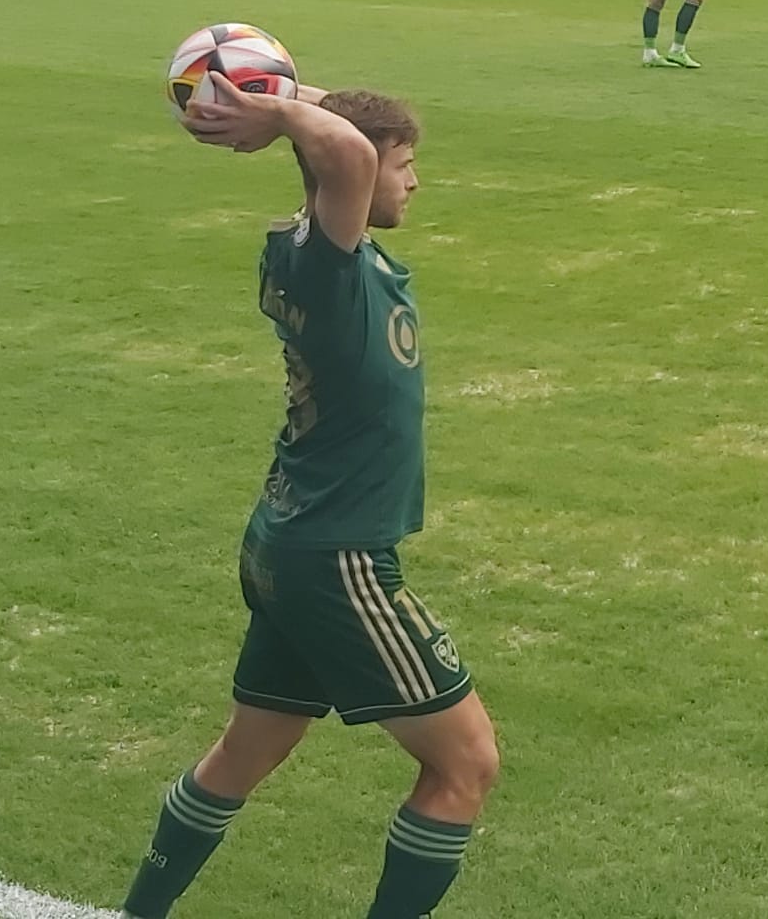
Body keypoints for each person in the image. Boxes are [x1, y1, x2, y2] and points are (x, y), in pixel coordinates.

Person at [120, 76, 498, 919]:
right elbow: (347, 152)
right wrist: (291, 115)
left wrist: (290, 97)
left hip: (286, 541)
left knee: (240, 756)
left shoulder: (309, 248)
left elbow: (343, 147)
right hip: (340, 556)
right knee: (466, 764)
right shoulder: (328, 263)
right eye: (405, 164)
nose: (412, 180)